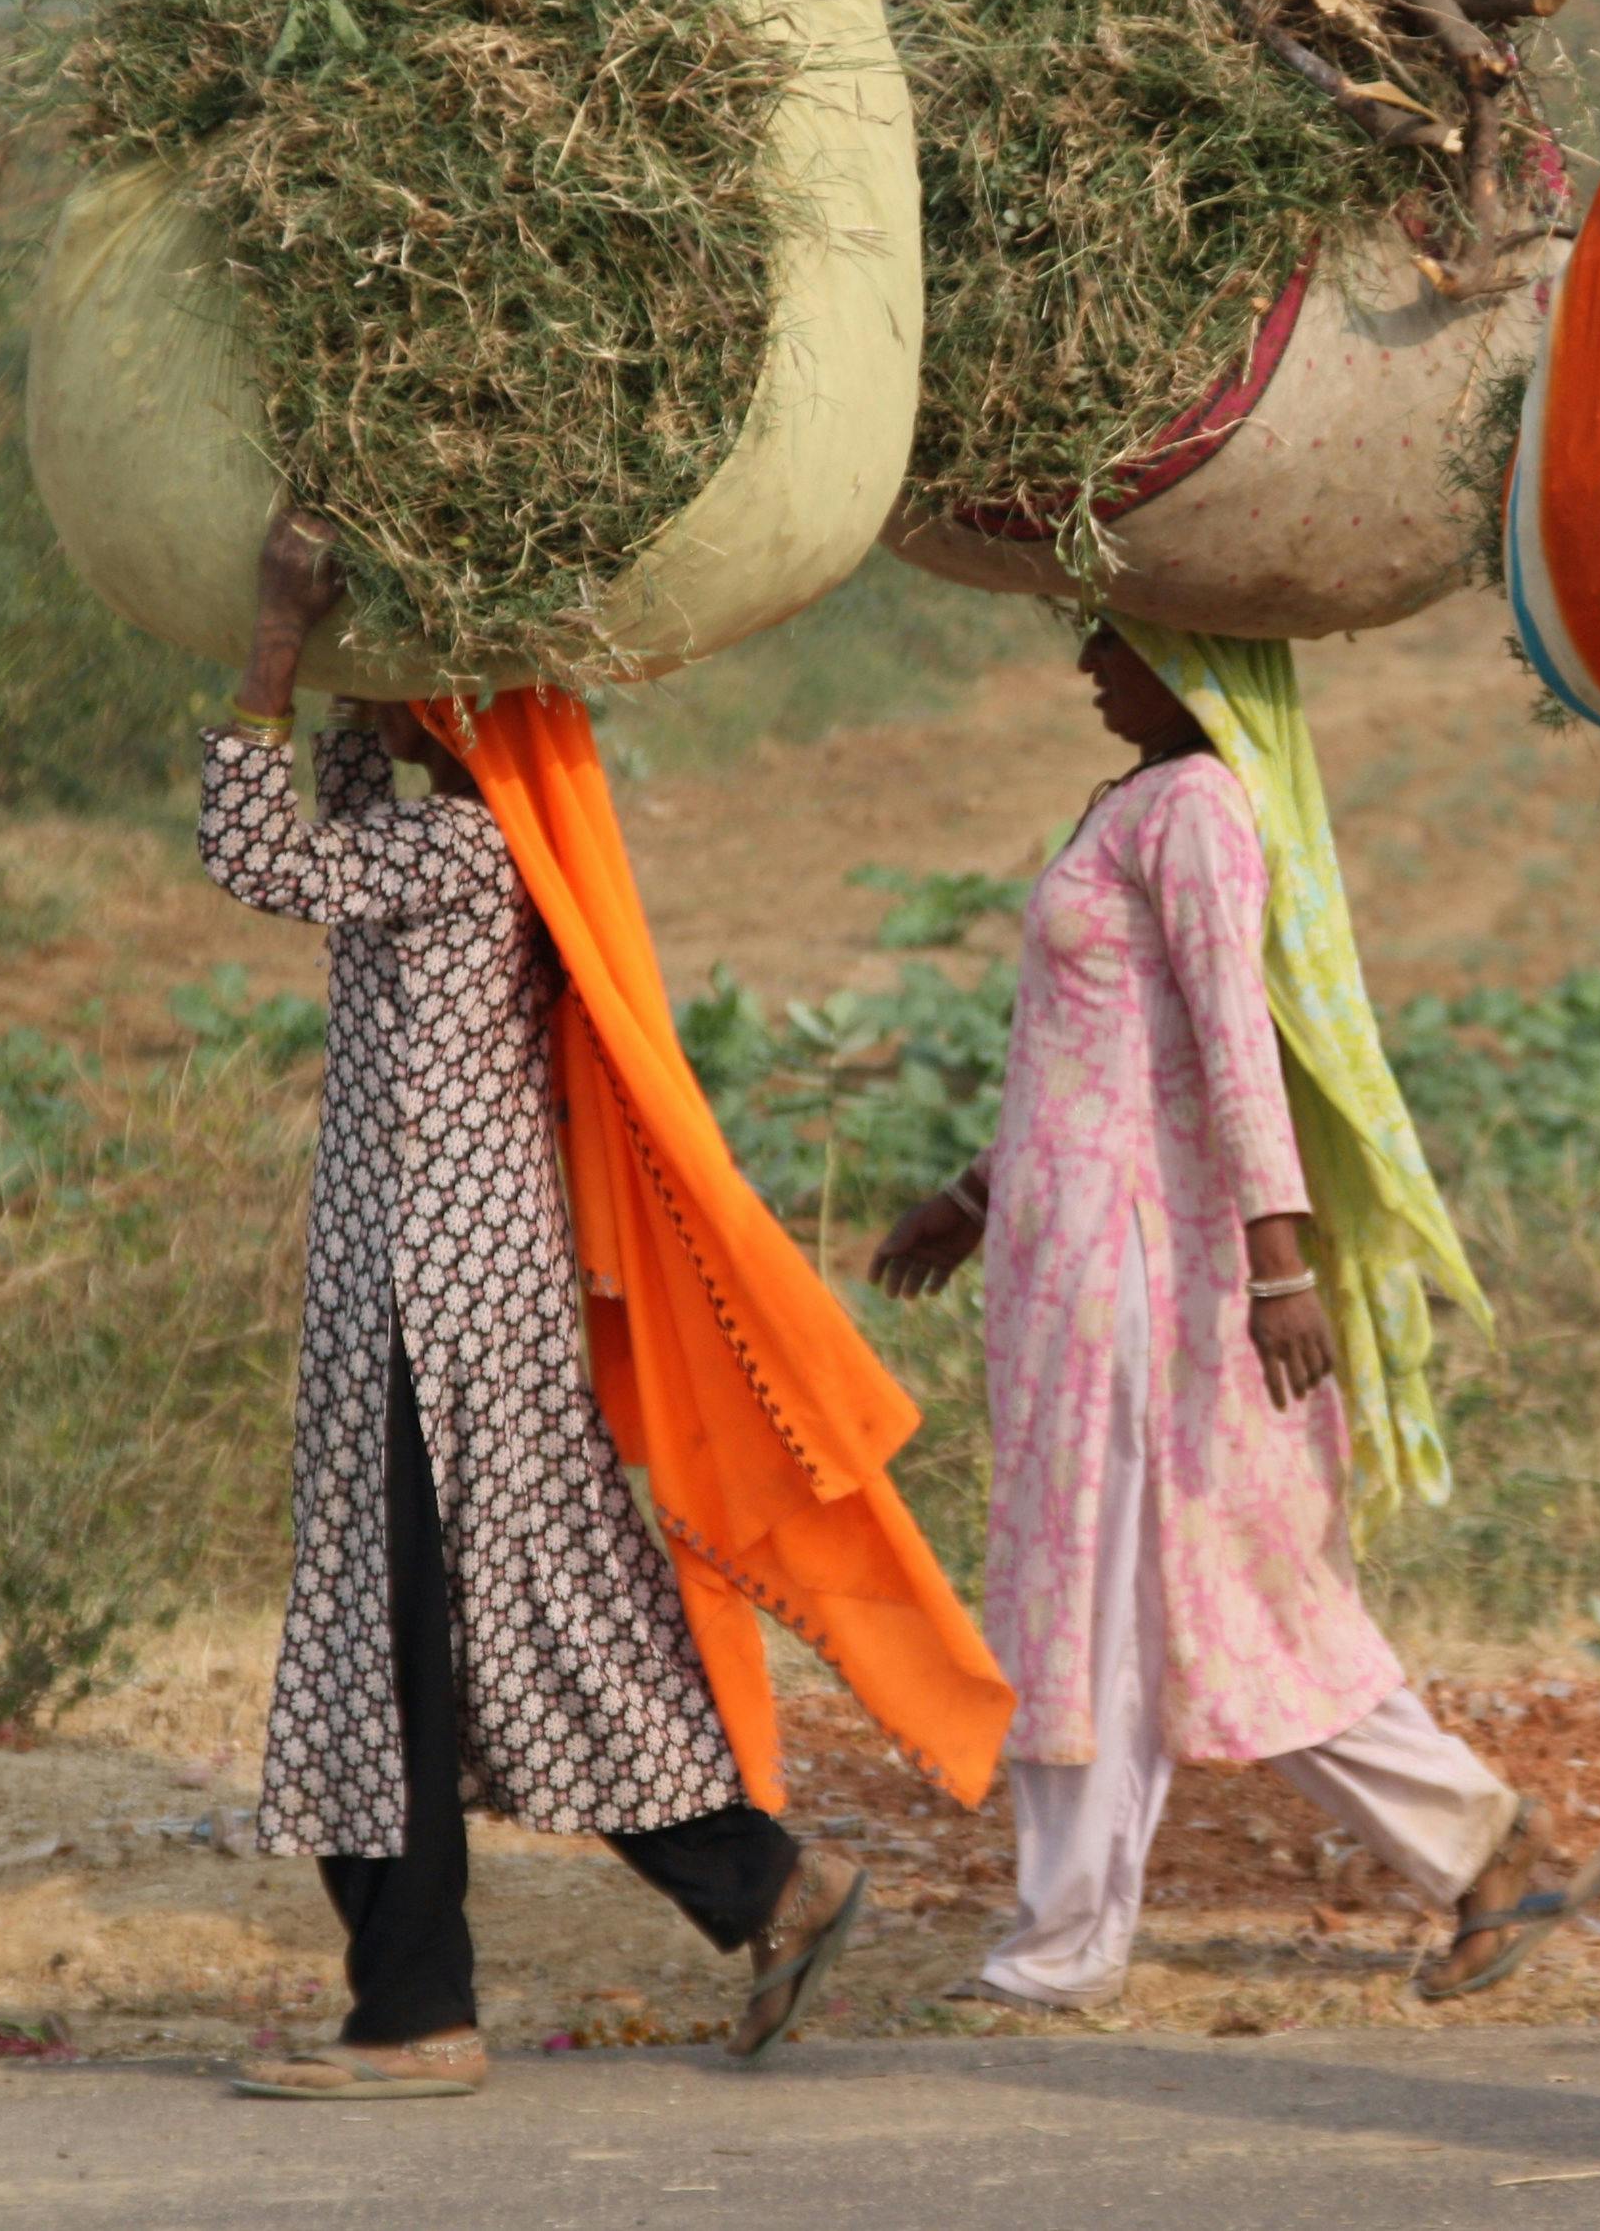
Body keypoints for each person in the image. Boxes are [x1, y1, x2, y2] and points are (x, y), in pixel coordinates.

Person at [203, 510, 1011, 2099]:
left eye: (409, 692)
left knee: (403, 1649)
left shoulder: (454, 854)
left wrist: (279, 645)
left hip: (434, 1323)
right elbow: (342, 813)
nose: (384, 714)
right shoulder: (478, 844)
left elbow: (256, 854)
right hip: (457, 1309)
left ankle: (418, 2012)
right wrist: (364, 688)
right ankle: (768, 1894)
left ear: (461, 724)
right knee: (520, 1632)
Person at [870, 619, 1600, 2014]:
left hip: (1145, 1278)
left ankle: (1069, 1940)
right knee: (1167, 1595)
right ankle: (1477, 1847)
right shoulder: (1137, 799)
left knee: (1113, 1593)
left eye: (1121, 638)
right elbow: (1098, 1057)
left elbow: (1234, 1043)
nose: (1090, 656)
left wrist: (1281, 1269)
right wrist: (974, 1196)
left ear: (1199, 666)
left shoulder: (1201, 808)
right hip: (1076, 1261)